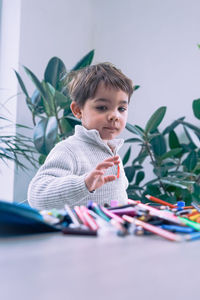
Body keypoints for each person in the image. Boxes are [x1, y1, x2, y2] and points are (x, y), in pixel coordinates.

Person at [28, 62, 134, 209]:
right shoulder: (69, 150)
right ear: (78, 110)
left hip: (108, 230)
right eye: (102, 107)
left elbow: (113, 197)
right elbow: (37, 195)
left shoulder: (111, 150)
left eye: (121, 108)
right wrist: (83, 184)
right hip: (82, 232)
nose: (114, 116)